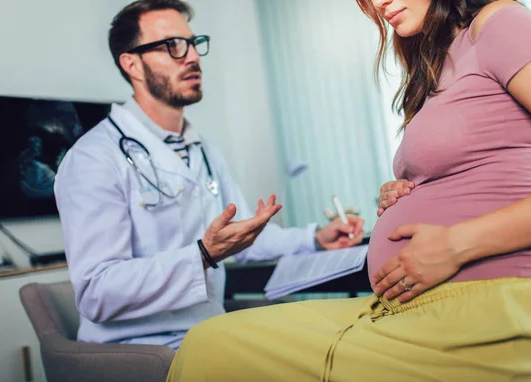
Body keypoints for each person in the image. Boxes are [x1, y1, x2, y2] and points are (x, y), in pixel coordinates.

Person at [162, 0, 531, 382]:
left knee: (216, 353)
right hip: (413, 314)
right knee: (210, 343)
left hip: (501, 328)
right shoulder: (442, 60)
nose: (378, 2)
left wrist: (455, 243)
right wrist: (412, 187)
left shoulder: (501, 24)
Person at [53, 0, 366, 351]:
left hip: (206, 333)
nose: (191, 57)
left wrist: (315, 239)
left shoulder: (204, 150)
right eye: (172, 46)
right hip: (141, 350)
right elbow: (97, 292)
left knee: (332, 340)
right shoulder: (94, 158)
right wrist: (202, 255)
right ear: (132, 64)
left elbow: (242, 239)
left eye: (192, 43)